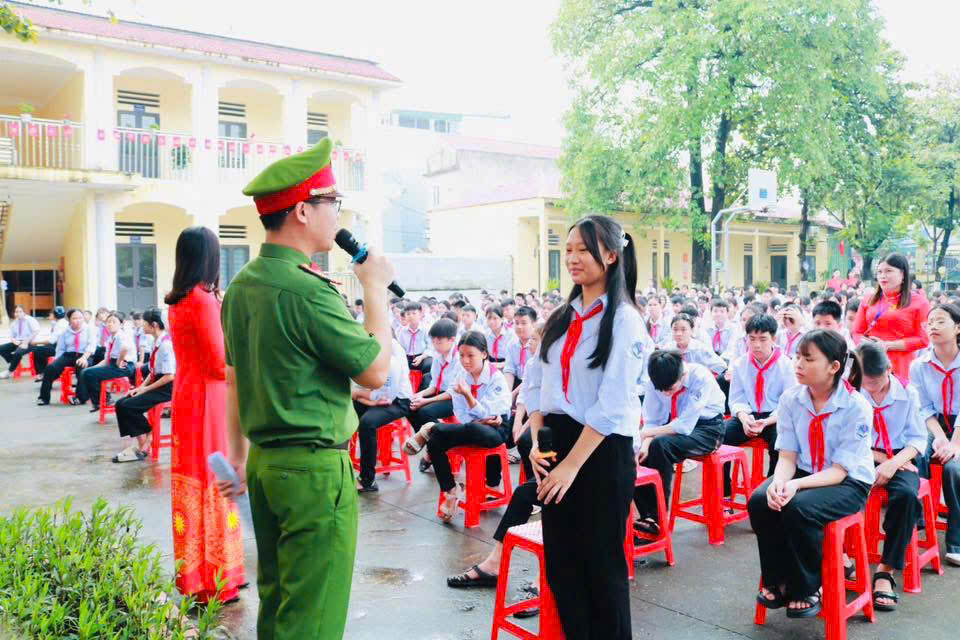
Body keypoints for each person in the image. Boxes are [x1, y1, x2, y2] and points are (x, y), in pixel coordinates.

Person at [221, 139, 395, 639]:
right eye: (332, 202)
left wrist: (238, 455)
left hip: (266, 466)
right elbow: (375, 371)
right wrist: (375, 289)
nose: (337, 214)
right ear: (302, 210)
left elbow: (236, 379)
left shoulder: (242, 285)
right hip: (313, 473)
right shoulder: (307, 290)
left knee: (279, 606)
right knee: (313, 618)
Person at [524, 215, 643, 639]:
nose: (572, 258)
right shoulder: (561, 317)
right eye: (568, 249)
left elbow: (612, 404)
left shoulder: (625, 320)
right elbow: (535, 384)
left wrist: (571, 467)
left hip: (600, 453)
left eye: (583, 250)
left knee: (601, 569)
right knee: (563, 566)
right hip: (554, 446)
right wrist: (536, 443)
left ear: (610, 256)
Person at [748, 330, 874, 619]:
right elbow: (787, 456)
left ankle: (807, 587)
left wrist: (794, 486)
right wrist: (780, 482)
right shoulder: (791, 399)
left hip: (849, 482)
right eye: (797, 356)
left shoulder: (856, 406)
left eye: (808, 358)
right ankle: (778, 580)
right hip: (805, 471)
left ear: (834, 367)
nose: (798, 364)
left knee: (799, 508)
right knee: (760, 501)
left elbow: (840, 471)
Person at [164, 227, 246, 604]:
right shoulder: (203, 300)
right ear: (210, 259)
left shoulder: (178, 300)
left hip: (186, 397)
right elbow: (218, 362)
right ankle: (219, 578)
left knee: (193, 483)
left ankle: (196, 575)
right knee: (216, 482)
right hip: (210, 401)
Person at [402, 330, 512, 522]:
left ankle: (432, 428)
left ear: (484, 354)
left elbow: (491, 413)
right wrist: (478, 415)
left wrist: (469, 397)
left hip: (498, 429)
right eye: (461, 355)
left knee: (473, 429)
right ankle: (451, 490)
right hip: (471, 426)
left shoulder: (496, 377)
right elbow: (461, 412)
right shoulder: (461, 375)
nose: (465, 361)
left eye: (471, 355)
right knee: (435, 443)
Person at [853, 341, 927, 611]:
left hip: (900, 455)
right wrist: (881, 461)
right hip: (861, 453)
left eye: (876, 382)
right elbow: (846, 437)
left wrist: (893, 463)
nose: (871, 389)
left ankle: (886, 570)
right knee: (838, 491)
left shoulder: (908, 393)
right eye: (866, 382)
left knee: (906, 496)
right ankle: (844, 558)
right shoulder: (852, 391)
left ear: (889, 369)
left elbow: (918, 439)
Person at [637, 351, 725, 533]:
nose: (665, 393)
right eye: (661, 389)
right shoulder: (656, 381)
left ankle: (658, 517)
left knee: (661, 446)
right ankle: (647, 516)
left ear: (682, 374)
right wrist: (643, 444)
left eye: (670, 388)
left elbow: (685, 425)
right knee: (635, 452)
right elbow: (653, 419)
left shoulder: (700, 376)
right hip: (671, 425)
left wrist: (647, 435)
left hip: (708, 429)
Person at [721, 313, 797, 496]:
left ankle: (770, 491)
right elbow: (737, 399)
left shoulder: (786, 365)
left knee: (781, 443)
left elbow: (788, 403)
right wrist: (744, 418)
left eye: (763, 339)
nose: (756, 345)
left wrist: (767, 421)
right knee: (719, 437)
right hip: (749, 415)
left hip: (775, 417)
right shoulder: (740, 364)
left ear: (774, 339)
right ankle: (724, 492)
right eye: (752, 338)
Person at [908, 303, 960, 566]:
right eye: (930, 323)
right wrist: (940, 438)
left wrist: (955, 444)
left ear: (957, 327)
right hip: (933, 422)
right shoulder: (919, 365)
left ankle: (956, 540)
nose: (933, 327)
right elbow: (923, 408)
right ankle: (918, 517)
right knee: (916, 451)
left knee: (953, 468)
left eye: (941, 321)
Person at [853, 253, 930, 382]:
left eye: (888, 271)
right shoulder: (868, 299)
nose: (883, 275)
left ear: (903, 274)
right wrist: (869, 347)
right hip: (868, 362)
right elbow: (857, 331)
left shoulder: (920, 302)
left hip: (900, 366)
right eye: (879, 272)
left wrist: (888, 345)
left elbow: (923, 339)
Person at [112, 307, 175, 462]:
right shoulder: (156, 342)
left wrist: (145, 389)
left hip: (166, 388)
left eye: (144, 323)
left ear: (154, 325)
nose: (142, 326)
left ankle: (147, 440)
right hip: (156, 382)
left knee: (129, 406)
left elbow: (169, 376)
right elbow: (153, 371)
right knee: (120, 404)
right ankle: (142, 442)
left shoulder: (166, 345)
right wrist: (140, 388)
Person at [352, 336, 413, 492]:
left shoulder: (392, 359)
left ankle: (367, 480)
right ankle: (342, 466)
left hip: (398, 401)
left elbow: (386, 397)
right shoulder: (372, 347)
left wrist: (359, 395)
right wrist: (361, 397)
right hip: (377, 395)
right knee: (348, 409)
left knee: (367, 423)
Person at [74, 311, 134, 412]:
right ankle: (105, 399)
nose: (110, 324)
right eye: (108, 322)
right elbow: (107, 359)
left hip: (124, 366)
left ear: (121, 324)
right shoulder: (110, 338)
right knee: (86, 372)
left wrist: (119, 361)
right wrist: (93, 368)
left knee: (89, 373)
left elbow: (125, 348)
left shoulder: (120, 336)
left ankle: (101, 401)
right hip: (113, 364)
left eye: (114, 322)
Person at [37, 309, 95, 406]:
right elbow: (60, 348)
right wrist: (57, 363)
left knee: (81, 368)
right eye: (74, 318)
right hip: (69, 355)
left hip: (85, 355)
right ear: (69, 320)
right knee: (50, 368)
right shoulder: (65, 332)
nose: (78, 320)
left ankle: (80, 398)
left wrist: (84, 358)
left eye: (80, 318)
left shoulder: (89, 330)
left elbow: (91, 346)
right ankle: (43, 398)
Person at [397, 301, 433, 388]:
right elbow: (400, 349)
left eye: (414, 313)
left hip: (422, 356)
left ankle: (423, 389)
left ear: (420, 314)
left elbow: (430, 347)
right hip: (407, 357)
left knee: (430, 364)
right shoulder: (402, 331)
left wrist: (421, 357)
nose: (411, 316)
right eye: (408, 314)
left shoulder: (426, 328)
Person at [28, 305, 68, 381]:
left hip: (61, 349)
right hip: (58, 346)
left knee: (38, 350)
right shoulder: (60, 322)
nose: (49, 315)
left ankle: (42, 373)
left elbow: (51, 341)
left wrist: (35, 342)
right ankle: (43, 372)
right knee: (40, 348)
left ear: (55, 315)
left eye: (51, 313)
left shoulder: (60, 325)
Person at [0, 305, 40, 379]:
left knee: (17, 353)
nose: (18, 313)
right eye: (16, 312)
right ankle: (15, 360)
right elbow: (12, 336)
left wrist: (26, 342)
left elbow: (36, 331)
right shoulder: (14, 323)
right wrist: (14, 341)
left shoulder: (30, 320)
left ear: (24, 312)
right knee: (1, 349)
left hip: (30, 342)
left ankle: (9, 372)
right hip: (18, 342)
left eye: (20, 311)